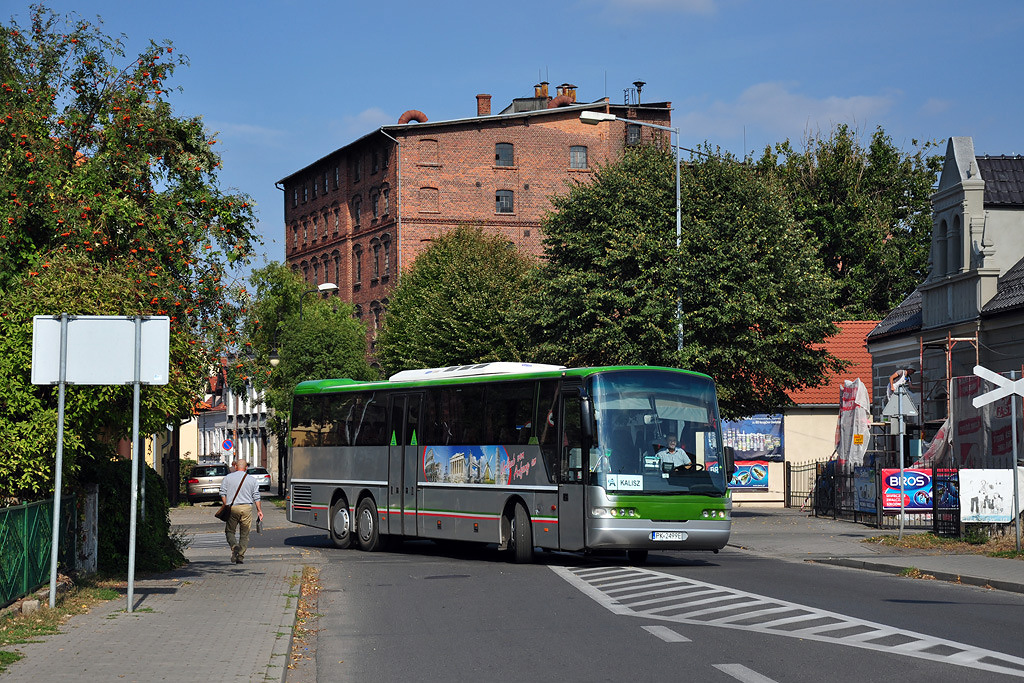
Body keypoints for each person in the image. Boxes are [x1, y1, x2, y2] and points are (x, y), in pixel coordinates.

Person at [219, 458, 263, 564]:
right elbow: (256, 496)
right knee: (244, 533)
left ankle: (234, 546)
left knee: (230, 531)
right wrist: (259, 510)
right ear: (246, 468)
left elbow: (222, 493)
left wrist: (226, 505)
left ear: (235, 467)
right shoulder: (252, 480)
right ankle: (240, 557)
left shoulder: (228, 478)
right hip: (247, 508)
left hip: (233, 507)